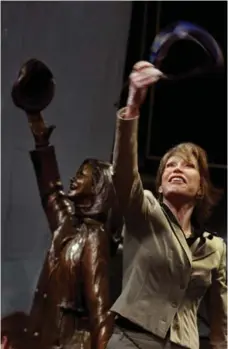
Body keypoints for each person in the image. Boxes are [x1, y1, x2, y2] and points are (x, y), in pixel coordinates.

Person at [106, 61, 227, 349]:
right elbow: (123, 172)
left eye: (187, 166)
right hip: (132, 339)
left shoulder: (215, 248)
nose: (176, 169)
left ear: (201, 188)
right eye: (169, 166)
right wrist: (133, 106)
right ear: (159, 186)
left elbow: (221, 321)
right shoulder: (145, 211)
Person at [9, 59, 119, 349]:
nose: (74, 178)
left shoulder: (94, 238)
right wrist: (37, 126)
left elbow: (100, 312)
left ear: (98, 187)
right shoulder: (69, 224)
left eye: (82, 175)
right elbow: (51, 191)